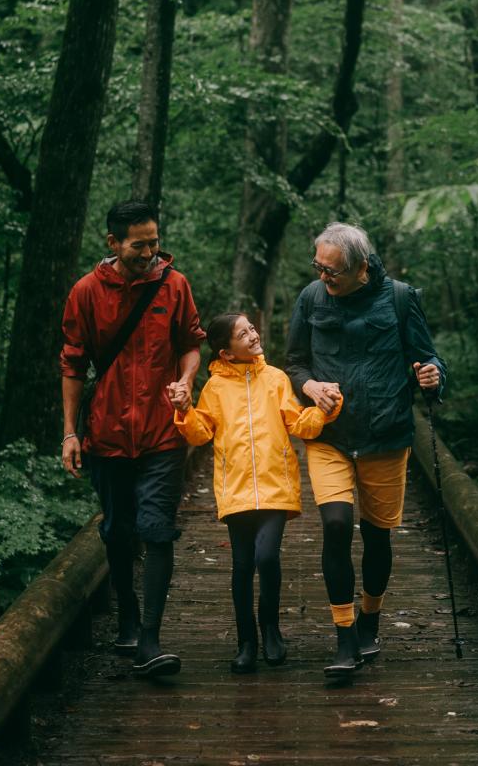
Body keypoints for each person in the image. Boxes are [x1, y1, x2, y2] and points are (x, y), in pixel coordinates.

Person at [285, 222, 446, 680]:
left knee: (377, 536)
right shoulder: (311, 298)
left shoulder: (399, 298)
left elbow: (428, 358)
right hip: (329, 437)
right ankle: (344, 636)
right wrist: (310, 386)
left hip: (384, 437)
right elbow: (294, 362)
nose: (322, 278)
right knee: (336, 525)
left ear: (361, 269)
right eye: (317, 266)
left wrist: (432, 375)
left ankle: (371, 617)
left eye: (331, 271)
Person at [60, 200, 205, 678]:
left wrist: (186, 381)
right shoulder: (86, 292)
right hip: (107, 433)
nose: (150, 252)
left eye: (154, 242)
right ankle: (127, 614)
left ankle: (150, 638)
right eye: (139, 245)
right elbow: (73, 364)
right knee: (118, 532)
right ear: (114, 244)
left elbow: (190, 343)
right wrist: (69, 434)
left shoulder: (174, 285)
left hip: (164, 431)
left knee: (157, 528)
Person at [170, 313, 341, 674]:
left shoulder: (276, 379)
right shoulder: (215, 388)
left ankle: (271, 630)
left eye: (251, 328)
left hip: (276, 486)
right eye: (242, 334)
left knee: (266, 557)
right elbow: (201, 433)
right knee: (243, 565)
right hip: (236, 489)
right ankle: (246, 641)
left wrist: (324, 410)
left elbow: (298, 424)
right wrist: (185, 410)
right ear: (227, 353)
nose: (252, 335)